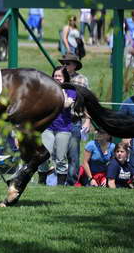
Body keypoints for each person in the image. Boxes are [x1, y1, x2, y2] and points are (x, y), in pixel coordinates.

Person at [38, 66, 76, 186]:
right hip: (48, 128)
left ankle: (60, 185)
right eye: (55, 76)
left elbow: (66, 104)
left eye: (60, 76)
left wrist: (62, 92)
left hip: (64, 129)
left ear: (65, 78)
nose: (57, 78)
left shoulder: (71, 90)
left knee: (61, 157)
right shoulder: (47, 89)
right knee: (44, 155)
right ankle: (42, 182)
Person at [58, 53, 91, 185]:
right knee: (56, 153)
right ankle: (57, 179)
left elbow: (87, 101)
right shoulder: (58, 77)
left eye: (68, 63)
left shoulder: (82, 80)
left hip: (73, 120)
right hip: (57, 120)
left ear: (75, 65)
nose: (65, 66)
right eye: (63, 63)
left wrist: (87, 120)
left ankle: (71, 182)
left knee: (73, 154)